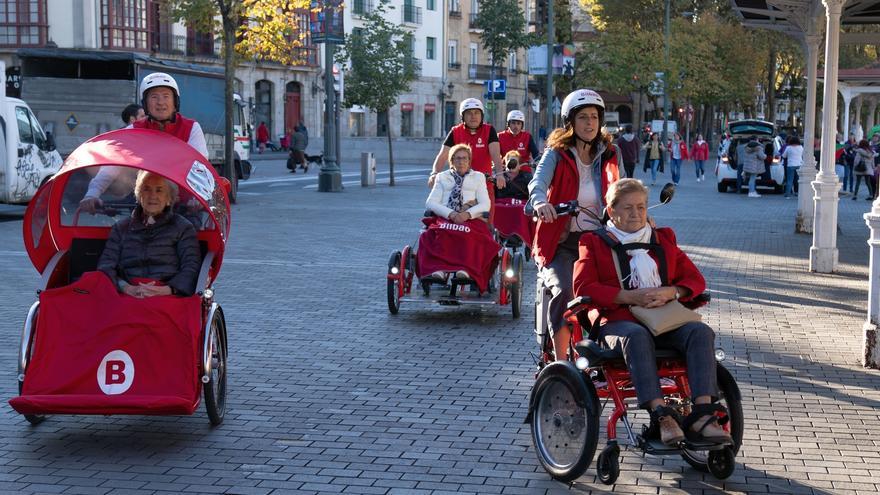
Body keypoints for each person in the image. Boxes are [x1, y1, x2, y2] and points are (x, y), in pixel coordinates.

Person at [573, 178, 731, 447]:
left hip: (663, 319)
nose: (636, 214)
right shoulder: (592, 242)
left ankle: (703, 415)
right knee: (636, 336)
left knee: (700, 332)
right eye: (627, 208)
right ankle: (661, 416)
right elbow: (583, 287)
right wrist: (628, 296)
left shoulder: (662, 239)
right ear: (611, 210)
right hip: (618, 321)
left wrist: (672, 292)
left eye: (641, 207)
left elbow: (695, 279)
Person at [528, 88, 620, 362]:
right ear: (570, 122)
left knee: (618, 290)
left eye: (594, 117)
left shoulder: (610, 154)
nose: (590, 123)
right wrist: (541, 203)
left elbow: (623, 189)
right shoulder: (557, 153)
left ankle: (609, 352)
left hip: (599, 241)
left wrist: (636, 211)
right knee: (566, 291)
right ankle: (561, 364)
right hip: (561, 242)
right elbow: (537, 183)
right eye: (583, 117)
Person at [80, 72, 208, 213]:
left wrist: (198, 196)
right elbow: (113, 164)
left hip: (184, 206)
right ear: (145, 104)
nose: (160, 102)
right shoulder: (134, 130)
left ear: (175, 101)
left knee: (189, 226)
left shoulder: (191, 128)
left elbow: (200, 166)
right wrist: (92, 193)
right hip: (146, 204)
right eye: (154, 97)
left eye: (166, 96)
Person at [97, 171, 201, 298]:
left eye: (159, 190)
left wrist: (167, 290)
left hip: (167, 294)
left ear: (169, 198)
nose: (152, 196)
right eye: (146, 189)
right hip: (126, 293)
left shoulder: (183, 227)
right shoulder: (121, 228)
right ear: (139, 195)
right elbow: (106, 265)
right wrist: (126, 288)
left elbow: (191, 267)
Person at [420, 143, 497, 288]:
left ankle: (466, 268)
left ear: (469, 161)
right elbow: (430, 202)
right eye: (458, 158)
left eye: (464, 158)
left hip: (470, 218)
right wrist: (451, 214)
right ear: (452, 161)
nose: (461, 162)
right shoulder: (442, 177)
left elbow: (485, 204)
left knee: (469, 233)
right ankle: (439, 269)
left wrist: (467, 214)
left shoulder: (478, 177)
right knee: (435, 233)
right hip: (447, 216)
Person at [430, 99, 506, 220]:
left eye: (476, 113)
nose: (473, 116)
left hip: (483, 184)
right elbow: (443, 155)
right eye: (469, 113)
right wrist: (434, 173)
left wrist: (500, 174)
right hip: (458, 185)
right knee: (450, 221)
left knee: (486, 222)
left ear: (482, 115)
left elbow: (496, 155)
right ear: (462, 116)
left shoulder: (489, 130)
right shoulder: (455, 131)